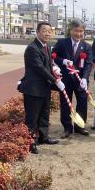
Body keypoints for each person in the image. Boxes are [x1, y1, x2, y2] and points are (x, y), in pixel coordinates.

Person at [18, 22, 63, 154]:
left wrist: (54, 66)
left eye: (50, 31)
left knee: (44, 114)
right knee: (32, 118)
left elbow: (48, 63)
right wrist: (55, 80)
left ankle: (44, 137)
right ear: (37, 32)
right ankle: (30, 142)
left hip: (45, 87)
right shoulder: (33, 48)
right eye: (44, 30)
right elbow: (39, 68)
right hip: (33, 89)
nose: (47, 33)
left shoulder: (47, 46)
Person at [52, 19, 93, 138]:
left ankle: (80, 127)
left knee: (82, 103)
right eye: (76, 31)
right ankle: (67, 128)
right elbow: (53, 56)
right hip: (65, 80)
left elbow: (88, 64)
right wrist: (63, 61)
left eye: (81, 31)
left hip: (80, 81)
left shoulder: (87, 46)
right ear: (71, 30)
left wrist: (85, 78)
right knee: (65, 103)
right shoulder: (62, 43)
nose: (78, 34)